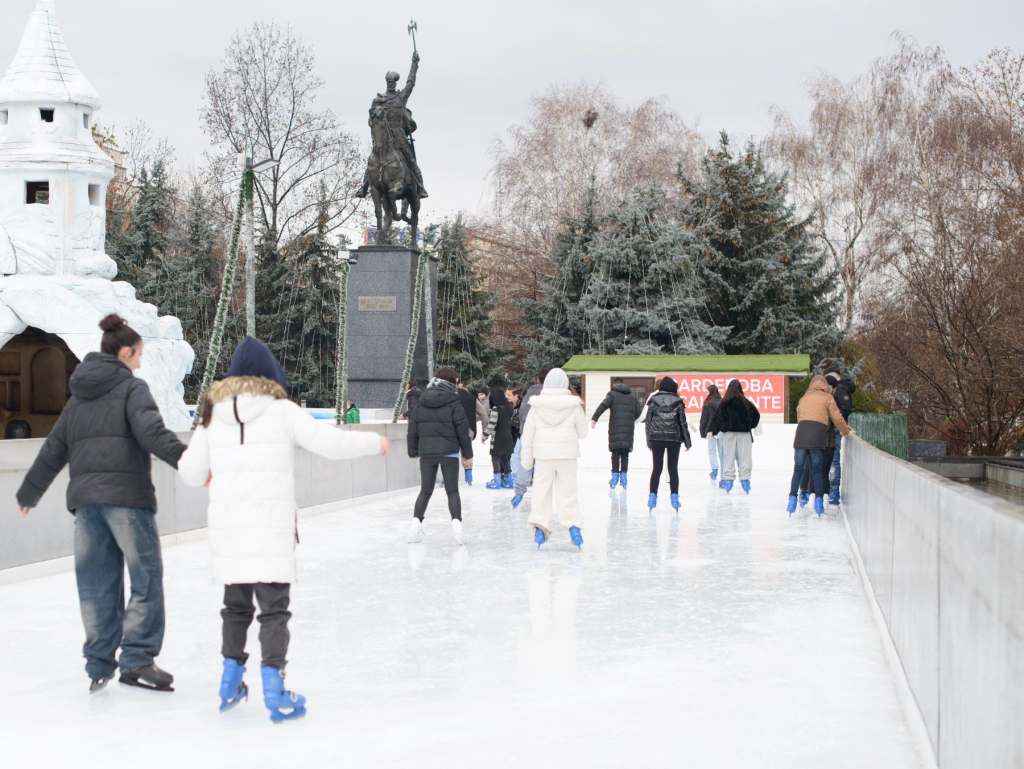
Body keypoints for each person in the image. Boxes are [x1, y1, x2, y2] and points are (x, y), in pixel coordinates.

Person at [177, 337, 388, 722]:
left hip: (229, 530)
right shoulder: (282, 411)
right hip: (270, 529)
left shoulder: (213, 417)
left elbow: (190, 471)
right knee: (273, 610)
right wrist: (374, 442)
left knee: (235, 606)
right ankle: (274, 689)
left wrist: (211, 471)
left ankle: (229, 681)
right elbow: (329, 442)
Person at [16, 314, 186, 694]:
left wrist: (29, 493)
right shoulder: (132, 388)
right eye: (138, 354)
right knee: (145, 579)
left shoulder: (78, 398)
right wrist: (190, 461)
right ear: (125, 353)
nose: (139, 363)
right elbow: (152, 432)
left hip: (86, 507)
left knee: (96, 585)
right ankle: (137, 660)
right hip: (127, 501)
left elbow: (54, 449)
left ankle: (98, 664)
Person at [520, 369, 589, 549]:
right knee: (568, 492)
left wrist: (526, 460)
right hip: (567, 455)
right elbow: (583, 432)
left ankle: (540, 528)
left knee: (541, 491)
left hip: (544, 456)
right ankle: (574, 527)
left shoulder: (537, 406)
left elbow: (528, 435)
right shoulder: (573, 405)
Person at [406, 367, 474, 545]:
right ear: (452, 382)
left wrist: (413, 450)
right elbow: (462, 430)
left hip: (427, 452)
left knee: (425, 490)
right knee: (452, 491)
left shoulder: (422, 400)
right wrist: (467, 454)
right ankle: (458, 529)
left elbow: (412, 428)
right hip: (449, 452)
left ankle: (414, 527)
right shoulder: (454, 400)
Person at [786, 374, 853, 516]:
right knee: (817, 470)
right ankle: (818, 503)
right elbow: (837, 418)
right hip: (817, 435)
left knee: (798, 469)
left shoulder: (804, 397)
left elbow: (799, 415)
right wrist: (846, 432)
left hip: (801, 435)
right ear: (825, 385)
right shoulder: (828, 398)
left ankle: (792, 500)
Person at [643, 376, 692, 512]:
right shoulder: (678, 402)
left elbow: (648, 422)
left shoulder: (653, 400)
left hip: (656, 438)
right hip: (674, 438)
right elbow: (682, 423)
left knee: (657, 468)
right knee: (673, 469)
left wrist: (649, 440)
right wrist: (687, 442)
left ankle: (652, 496)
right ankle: (674, 496)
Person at [708, 379, 761, 494]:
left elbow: (717, 418)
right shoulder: (746, 402)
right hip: (744, 434)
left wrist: (713, 430)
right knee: (745, 457)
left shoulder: (724, 403)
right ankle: (745, 480)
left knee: (728, 457)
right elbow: (756, 416)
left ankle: (728, 481)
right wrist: (749, 426)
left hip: (728, 434)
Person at [591, 378, 642, 490]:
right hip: (628, 429)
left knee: (615, 453)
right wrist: (631, 418)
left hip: (615, 428)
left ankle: (614, 477)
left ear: (614, 385)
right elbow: (639, 411)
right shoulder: (632, 397)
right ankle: (624, 476)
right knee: (625, 454)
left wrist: (595, 418)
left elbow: (603, 406)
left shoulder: (612, 395)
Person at [510, 369, 547, 508]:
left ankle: (520, 487)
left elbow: (522, 413)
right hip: (547, 437)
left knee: (523, 459)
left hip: (528, 433)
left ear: (537, 379)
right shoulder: (555, 394)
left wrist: (523, 431)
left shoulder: (530, 392)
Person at [828, 372, 856, 505]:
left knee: (834, 461)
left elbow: (844, 410)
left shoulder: (839, 390)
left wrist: (840, 424)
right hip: (835, 428)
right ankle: (831, 491)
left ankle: (833, 492)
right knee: (833, 461)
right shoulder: (841, 390)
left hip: (835, 429)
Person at [483, 387, 516, 489]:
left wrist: (484, 436)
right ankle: (509, 481)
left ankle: (497, 481)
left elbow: (492, 424)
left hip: (498, 438)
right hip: (508, 437)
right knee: (505, 459)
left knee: (495, 458)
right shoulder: (510, 408)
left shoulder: (496, 409)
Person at [698, 384, 724, 482]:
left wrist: (702, 432)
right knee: (722, 452)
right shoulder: (723, 402)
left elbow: (704, 419)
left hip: (710, 430)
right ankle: (724, 472)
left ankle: (714, 470)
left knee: (712, 451)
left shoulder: (707, 402)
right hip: (721, 430)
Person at [455, 377, 479, 484]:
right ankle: (468, 474)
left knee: (453, 451)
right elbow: (483, 413)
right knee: (466, 450)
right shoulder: (472, 398)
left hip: (455, 428)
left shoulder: (452, 397)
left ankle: (451, 475)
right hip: (469, 429)